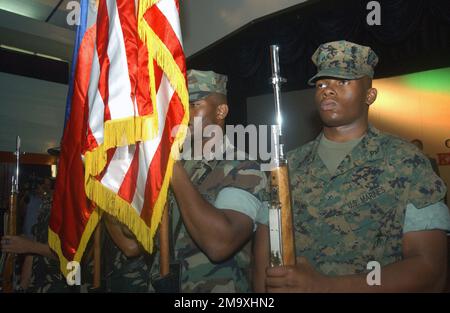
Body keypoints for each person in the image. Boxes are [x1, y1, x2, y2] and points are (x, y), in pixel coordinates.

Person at [255, 40, 450, 292]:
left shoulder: (406, 162)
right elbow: (264, 264)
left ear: (369, 95)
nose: (327, 90)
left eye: (343, 82)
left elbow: (430, 271)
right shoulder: (287, 167)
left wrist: (324, 286)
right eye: (322, 83)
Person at [149, 69, 268, 293]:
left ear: (221, 111)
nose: (183, 114)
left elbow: (220, 244)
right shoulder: (180, 166)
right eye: (180, 105)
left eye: (194, 105)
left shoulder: (242, 168)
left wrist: (171, 164)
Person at [1, 177, 71, 292]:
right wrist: (22, 286)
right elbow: (31, 252)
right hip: (37, 282)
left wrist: (29, 246)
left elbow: (71, 254)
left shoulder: (75, 207)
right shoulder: (46, 204)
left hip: (61, 283)